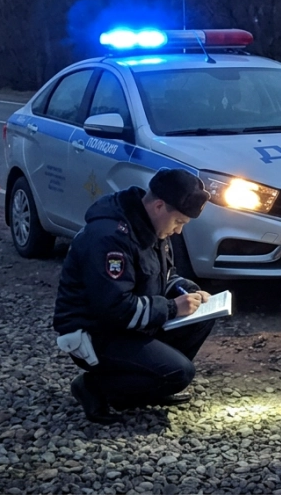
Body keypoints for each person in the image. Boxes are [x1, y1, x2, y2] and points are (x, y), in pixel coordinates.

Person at [53, 168, 214, 424]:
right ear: (159, 206)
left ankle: (148, 383)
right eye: (179, 222)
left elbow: (162, 277)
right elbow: (115, 308)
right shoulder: (110, 238)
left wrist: (188, 290)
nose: (178, 231)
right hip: (97, 333)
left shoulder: (153, 226)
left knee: (201, 318)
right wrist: (173, 308)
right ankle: (94, 387)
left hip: (128, 326)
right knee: (180, 373)